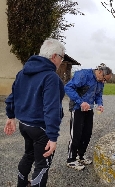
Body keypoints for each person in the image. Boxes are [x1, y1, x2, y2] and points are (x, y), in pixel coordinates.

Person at [4, 38, 65, 187]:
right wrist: (52, 136)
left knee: (29, 154)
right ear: (54, 56)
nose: (61, 62)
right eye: (62, 57)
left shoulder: (22, 72)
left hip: (24, 125)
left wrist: (10, 116)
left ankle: (22, 183)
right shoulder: (51, 77)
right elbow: (52, 108)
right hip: (41, 129)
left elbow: (13, 96)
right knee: (42, 165)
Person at [65, 63, 112, 170]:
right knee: (76, 134)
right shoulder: (83, 75)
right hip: (77, 108)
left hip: (89, 109)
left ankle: (80, 155)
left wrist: (100, 104)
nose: (104, 82)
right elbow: (68, 87)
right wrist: (81, 102)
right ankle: (71, 159)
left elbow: (98, 95)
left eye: (106, 80)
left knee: (87, 133)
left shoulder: (100, 81)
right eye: (104, 79)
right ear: (100, 72)